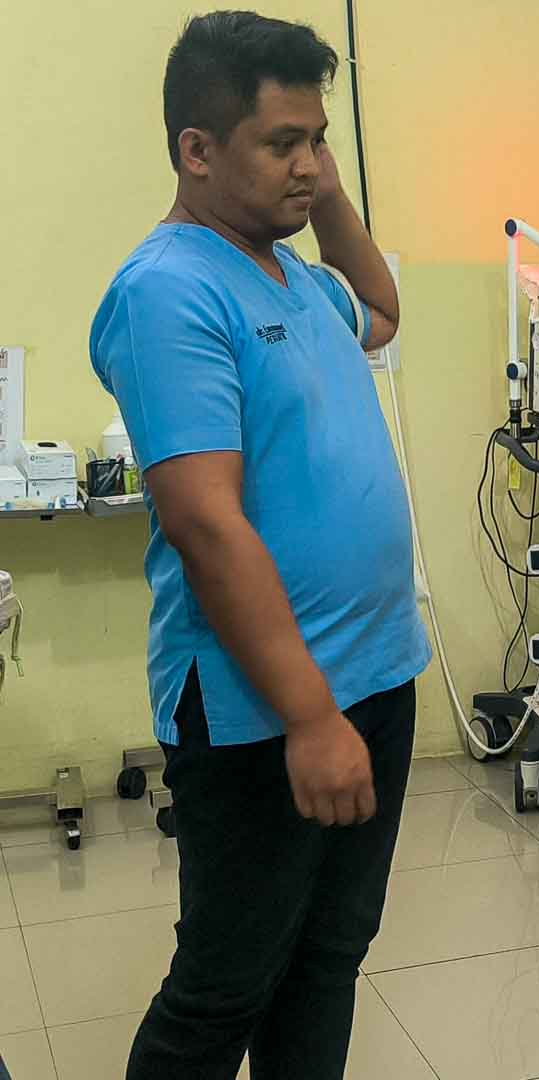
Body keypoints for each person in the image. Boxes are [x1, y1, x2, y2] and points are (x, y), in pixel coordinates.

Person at [89, 12, 427, 1078]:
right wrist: (309, 714)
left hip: (377, 676)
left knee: (328, 960)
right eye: (282, 142)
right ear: (197, 150)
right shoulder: (170, 289)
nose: (310, 165)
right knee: (224, 987)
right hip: (263, 709)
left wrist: (318, 182)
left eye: (318, 139)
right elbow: (204, 522)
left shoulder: (300, 280)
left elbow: (381, 303)